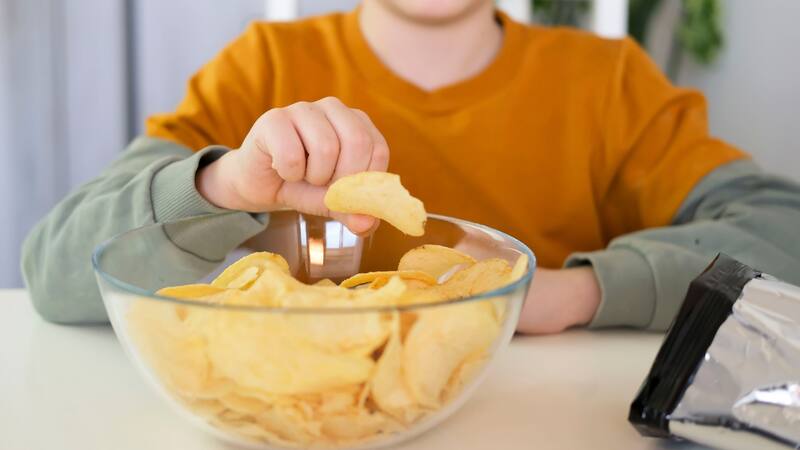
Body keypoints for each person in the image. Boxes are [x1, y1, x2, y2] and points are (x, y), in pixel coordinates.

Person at [21, 0, 800, 332]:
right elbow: (55, 272)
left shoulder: (610, 86)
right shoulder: (259, 69)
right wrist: (223, 184)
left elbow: (781, 231)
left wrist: (573, 293)